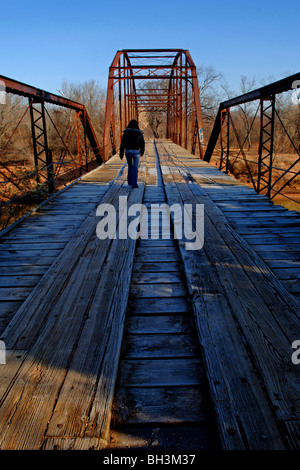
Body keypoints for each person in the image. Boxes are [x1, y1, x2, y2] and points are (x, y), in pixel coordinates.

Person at [119, 119, 145, 188]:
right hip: (136, 152)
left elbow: (123, 144)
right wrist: (142, 151)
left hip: (128, 152)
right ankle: (134, 184)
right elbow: (142, 143)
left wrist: (121, 153)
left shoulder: (126, 133)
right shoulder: (139, 133)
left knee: (130, 166)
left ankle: (129, 182)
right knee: (135, 168)